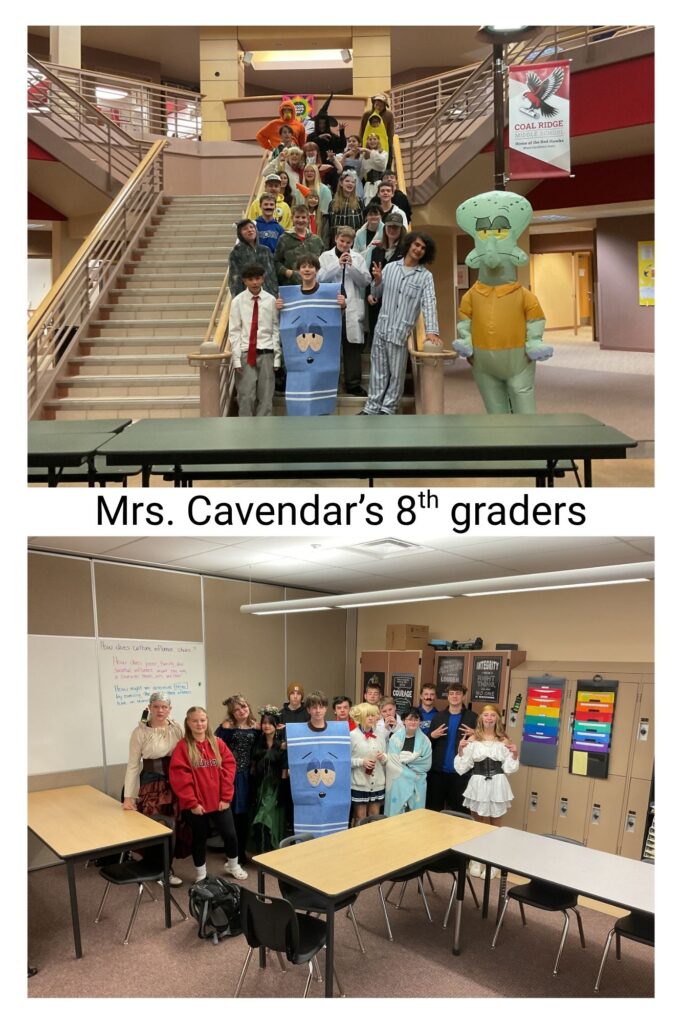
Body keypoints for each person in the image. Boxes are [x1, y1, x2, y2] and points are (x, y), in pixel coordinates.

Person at [362, 231, 441, 416]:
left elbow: (429, 303)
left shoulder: (425, 277)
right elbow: (376, 293)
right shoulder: (390, 268)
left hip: (400, 329)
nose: (419, 249)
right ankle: (371, 408)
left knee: (396, 374)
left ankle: (387, 409)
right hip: (382, 327)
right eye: (416, 245)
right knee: (377, 371)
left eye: (423, 248)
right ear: (409, 245)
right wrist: (378, 280)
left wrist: (432, 331)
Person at [168, 706, 247, 882]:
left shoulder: (217, 743)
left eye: (202, 720)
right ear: (188, 723)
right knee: (199, 838)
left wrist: (226, 797)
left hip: (220, 801)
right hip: (196, 806)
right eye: (195, 720)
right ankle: (201, 873)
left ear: (207, 721)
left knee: (230, 834)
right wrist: (192, 803)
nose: (199, 724)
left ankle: (233, 865)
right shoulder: (183, 747)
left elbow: (229, 768)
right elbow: (180, 778)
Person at [122, 691, 185, 886]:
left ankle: (167, 868)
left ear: (170, 709)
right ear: (149, 708)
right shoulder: (140, 732)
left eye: (164, 707)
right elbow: (133, 765)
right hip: (152, 782)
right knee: (155, 825)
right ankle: (157, 868)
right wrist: (129, 796)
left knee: (175, 825)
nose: (160, 710)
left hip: (174, 781)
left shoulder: (177, 728)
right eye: (156, 706)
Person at [455, 704, 519, 876]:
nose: (489, 718)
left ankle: (494, 862)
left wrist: (514, 754)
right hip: (478, 783)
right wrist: (461, 750)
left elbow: (509, 767)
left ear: (497, 718)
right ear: (481, 718)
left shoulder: (504, 740)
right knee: (477, 823)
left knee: (495, 824)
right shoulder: (473, 739)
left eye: (492, 715)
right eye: (486, 715)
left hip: (497, 783)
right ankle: (476, 859)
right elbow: (463, 765)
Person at [286, 690, 352, 837]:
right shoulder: (297, 732)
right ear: (308, 709)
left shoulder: (339, 731)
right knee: (308, 837)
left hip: (335, 795)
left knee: (335, 836)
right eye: (314, 707)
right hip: (307, 796)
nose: (317, 711)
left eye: (321, 707)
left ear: (326, 708)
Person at [318, 225, 371, 397]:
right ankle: (329, 383)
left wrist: (351, 267)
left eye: (348, 242)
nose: (345, 245)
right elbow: (318, 279)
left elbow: (365, 281)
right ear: (336, 239)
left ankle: (353, 384)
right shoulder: (325, 257)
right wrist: (337, 265)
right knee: (329, 348)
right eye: (342, 241)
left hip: (351, 308)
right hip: (330, 308)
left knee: (352, 348)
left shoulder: (358, 258)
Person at [228, 264, 282, 417]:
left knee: (266, 396)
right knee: (246, 395)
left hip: (267, 352)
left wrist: (277, 358)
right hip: (246, 353)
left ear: (263, 279)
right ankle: (246, 429)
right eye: (250, 279)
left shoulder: (271, 300)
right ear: (244, 281)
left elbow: (275, 329)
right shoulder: (238, 301)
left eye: (257, 278)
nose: (254, 282)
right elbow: (234, 331)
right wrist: (236, 359)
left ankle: (264, 429)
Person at [215, 695, 260, 864]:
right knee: (232, 815)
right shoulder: (226, 727)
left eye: (244, 707)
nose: (242, 711)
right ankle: (233, 852)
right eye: (237, 709)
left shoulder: (256, 726)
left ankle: (241, 850)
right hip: (231, 775)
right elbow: (216, 748)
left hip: (249, 776)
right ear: (232, 713)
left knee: (245, 815)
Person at [427, 682, 477, 813]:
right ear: (447, 697)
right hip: (438, 773)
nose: (454, 696)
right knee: (434, 811)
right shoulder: (438, 717)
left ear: (464, 696)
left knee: (460, 812)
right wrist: (432, 735)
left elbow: (484, 743)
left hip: (461, 774)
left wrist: (476, 734)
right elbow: (427, 745)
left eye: (458, 693)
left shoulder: (473, 718)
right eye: (451, 693)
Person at [248, 711, 287, 853]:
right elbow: (253, 766)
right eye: (264, 722)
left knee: (266, 819)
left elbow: (285, 767)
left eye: (270, 723)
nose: (267, 726)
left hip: (275, 787)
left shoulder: (282, 745)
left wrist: (282, 790)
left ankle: (271, 851)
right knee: (259, 821)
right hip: (260, 787)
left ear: (277, 725)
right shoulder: (258, 743)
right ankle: (261, 852)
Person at [384, 707, 433, 816]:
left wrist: (405, 763)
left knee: (415, 817)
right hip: (397, 783)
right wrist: (411, 767)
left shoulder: (425, 741)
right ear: (404, 721)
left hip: (418, 782)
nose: (413, 722)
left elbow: (426, 765)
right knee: (395, 818)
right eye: (410, 719)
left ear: (420, 721)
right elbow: (392, 763)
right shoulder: (395, 739)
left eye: (416, 719)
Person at [349, 702, 387, 822]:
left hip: (377, 783)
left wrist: (383, 757)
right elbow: (345, 761)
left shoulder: (380, 735)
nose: (370, 718)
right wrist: (361, 762)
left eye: (372, 715)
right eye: (367, 715)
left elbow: (386, 759)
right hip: (359, 784)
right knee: (361, 818)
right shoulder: (352, 736)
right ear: (360, 717)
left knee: (375, 817)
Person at [274, 205, 326, 286]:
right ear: (292, 218)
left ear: (308, 219)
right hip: (290, 285)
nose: (300, 220)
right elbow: (276, 261)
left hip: (313, 285)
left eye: (303, 217)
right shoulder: (284, 238)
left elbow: (323, 262)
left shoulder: (317, 240)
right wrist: (288, 272)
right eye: (297, 217)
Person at [228, 220, 278, 299]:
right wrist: (238, 299)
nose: (249, 230)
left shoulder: (265, 250)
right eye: (245, 229)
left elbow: (272, 275)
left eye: (251, 227)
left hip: (268, 297)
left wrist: (275, 294)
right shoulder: (236, 252)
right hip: (248, 299)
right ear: (240, 234)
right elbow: (234, 280)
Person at [360, 94, 395, 169]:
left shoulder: (389, 115)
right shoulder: (367, 114)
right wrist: (361, 143)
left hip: (383, 143)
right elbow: (362, 130)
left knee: (384, 162)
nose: (378, 107)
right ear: (373, 104)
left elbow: (390, 131)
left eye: (381, 106)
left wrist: (390, 145)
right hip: (368, 142)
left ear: (385, 106)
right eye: (377, 105)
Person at [327, 171, 366, 236]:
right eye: (347, 181)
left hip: (354, 241)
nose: (350, 183)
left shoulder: (359, 202)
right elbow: (330, 226)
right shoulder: (333, 203)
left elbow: (363, 224)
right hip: (337, 241)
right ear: (341, 183)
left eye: (353, 182)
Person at [360, 132, 388, 203]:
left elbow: (381, 164)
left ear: (378, 141)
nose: (372, 141)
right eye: (370, 139)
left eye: (374, 139)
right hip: (368, 185)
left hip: (379, 183)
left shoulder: (383, 153)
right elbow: (361, 171)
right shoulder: (364, 156)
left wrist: (368, 150)